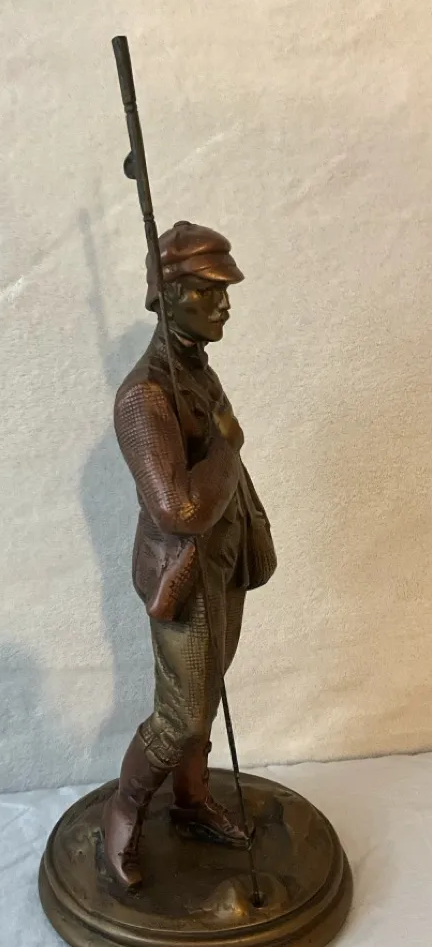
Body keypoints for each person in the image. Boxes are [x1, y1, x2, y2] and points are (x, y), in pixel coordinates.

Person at [103, 221, 276, 890]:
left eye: (224, 290)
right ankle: (123, 814)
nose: (224, 304)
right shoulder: (145, 395)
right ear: (167, 297)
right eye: (207, 292)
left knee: (205, 693)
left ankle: (191, 798)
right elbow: (177, 509)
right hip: (185, 573)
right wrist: (228, 447)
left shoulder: (197, 369)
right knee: (180, 714)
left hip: (223, 558)